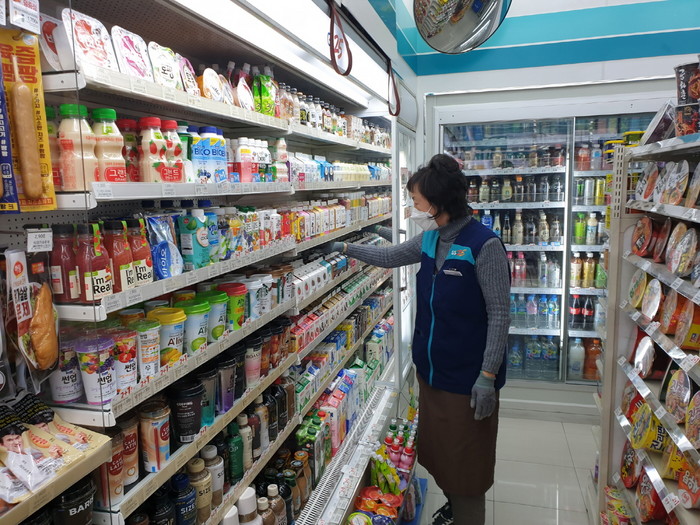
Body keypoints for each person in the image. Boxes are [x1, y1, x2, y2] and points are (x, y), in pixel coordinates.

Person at [322, 154, 510, 525]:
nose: (413, 207)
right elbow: (391, 256)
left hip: (467, 382)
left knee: (467, 472)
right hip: (431, 375)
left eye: (416, 201)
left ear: (437, 204)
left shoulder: (483, 245)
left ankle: (466, 515)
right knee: (442, 458)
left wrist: (487, 377)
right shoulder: (430, 238)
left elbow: (500, 315)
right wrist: (345, 248)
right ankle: (453, 508)